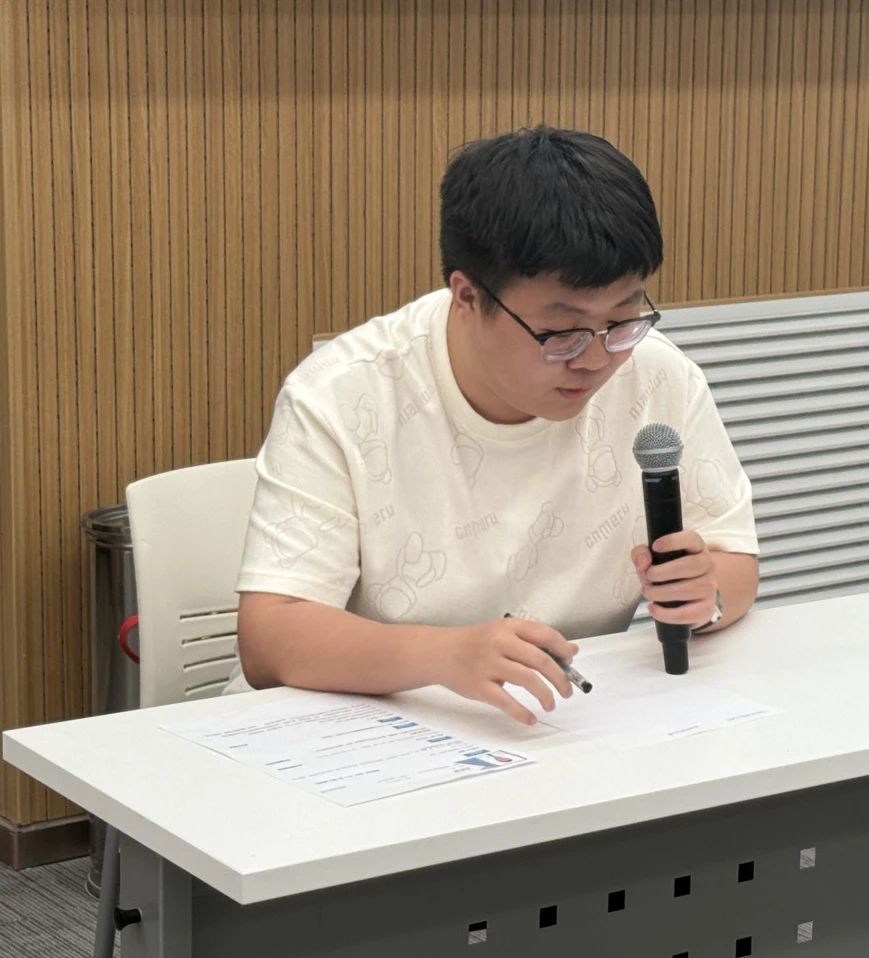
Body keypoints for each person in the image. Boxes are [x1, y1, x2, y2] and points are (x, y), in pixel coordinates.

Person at [228, 126, 759, 725]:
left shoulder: (658, 376)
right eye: (560, 332)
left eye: (623, 318)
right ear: (467, 296)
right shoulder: (344, 394)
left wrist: (705, 595)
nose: (595, 358)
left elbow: (733, 557)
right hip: (351, 730)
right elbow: (270, 639)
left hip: (558, 727)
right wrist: (444, 655)